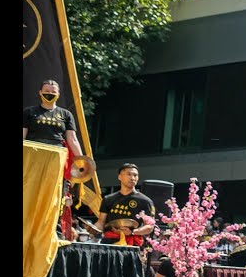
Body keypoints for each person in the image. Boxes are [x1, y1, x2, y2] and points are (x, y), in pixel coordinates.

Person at [23, 79, 85, 238]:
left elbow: (72, 139)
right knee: (29, 192)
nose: (49, 94)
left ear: (58, 94)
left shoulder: (65, 114)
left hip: (56, 159)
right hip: (33, 157)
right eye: (46, 91)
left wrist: (81, 161)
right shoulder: (29, 112)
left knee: (54, 195)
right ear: (40, 92)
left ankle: (51, 231)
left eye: (53, 92)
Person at [95, 163, 156, 247]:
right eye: (129, 174)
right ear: (119, 177)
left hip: (132, 244)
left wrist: (133, 232)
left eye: (135, 175)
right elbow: (101, 222)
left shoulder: (145, 201)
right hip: (108, 243)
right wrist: (93, 229)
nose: (132, 178)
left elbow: (149, 226)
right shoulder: (108, 199)